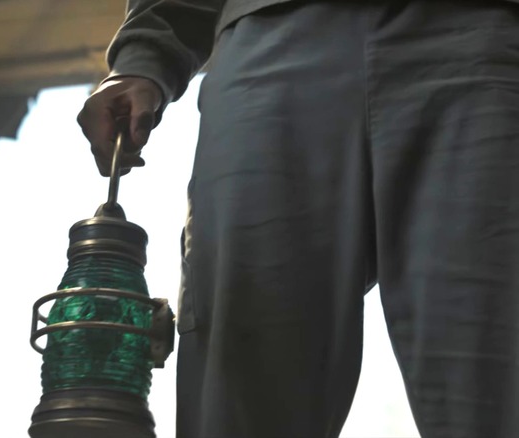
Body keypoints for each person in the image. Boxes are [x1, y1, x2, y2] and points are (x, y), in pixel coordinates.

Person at [76, 1, 519, 437]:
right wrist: (143, 56)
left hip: (478, 29)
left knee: (499, 374)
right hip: (273, 30)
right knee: (243, 386)